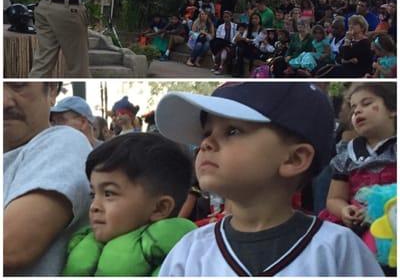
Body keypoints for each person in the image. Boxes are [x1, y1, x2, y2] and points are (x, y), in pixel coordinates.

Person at [155, 82, 384, 276]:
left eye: (233, 131)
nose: (205, 144)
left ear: (294, 159)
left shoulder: (338, 248)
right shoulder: (188, 251)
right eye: (207, 133)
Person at [62, 132, 197, 276]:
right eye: (93, 195)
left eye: (109, 193)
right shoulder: (80, 243)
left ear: (159, 208)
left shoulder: (180, 265)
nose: (94, 206)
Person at [4, 82, 92, 275]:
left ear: (52, 90)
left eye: (18, 86)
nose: (4, 102)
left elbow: (10, 247)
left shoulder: (64, 141)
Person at [319, 83, 396, 274]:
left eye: (366, 103)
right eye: (353, 108)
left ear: (393, 110)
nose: (358, 111)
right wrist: (345, 210)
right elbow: (334, 198)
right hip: (359, 228)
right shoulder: (347, 155)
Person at [210, 10, 237, 75]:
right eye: (224, 17)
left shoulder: (235, 26)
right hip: (222, 44)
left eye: (227, 17)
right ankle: (218, 66)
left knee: (224, 51)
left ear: (231, 17)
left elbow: (236, 37)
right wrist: (224, 45)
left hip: (231, 44)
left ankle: (220, 67)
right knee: (222, 50)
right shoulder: (220, 26)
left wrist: (229, 45)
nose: (226, 19)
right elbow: (218, 37)